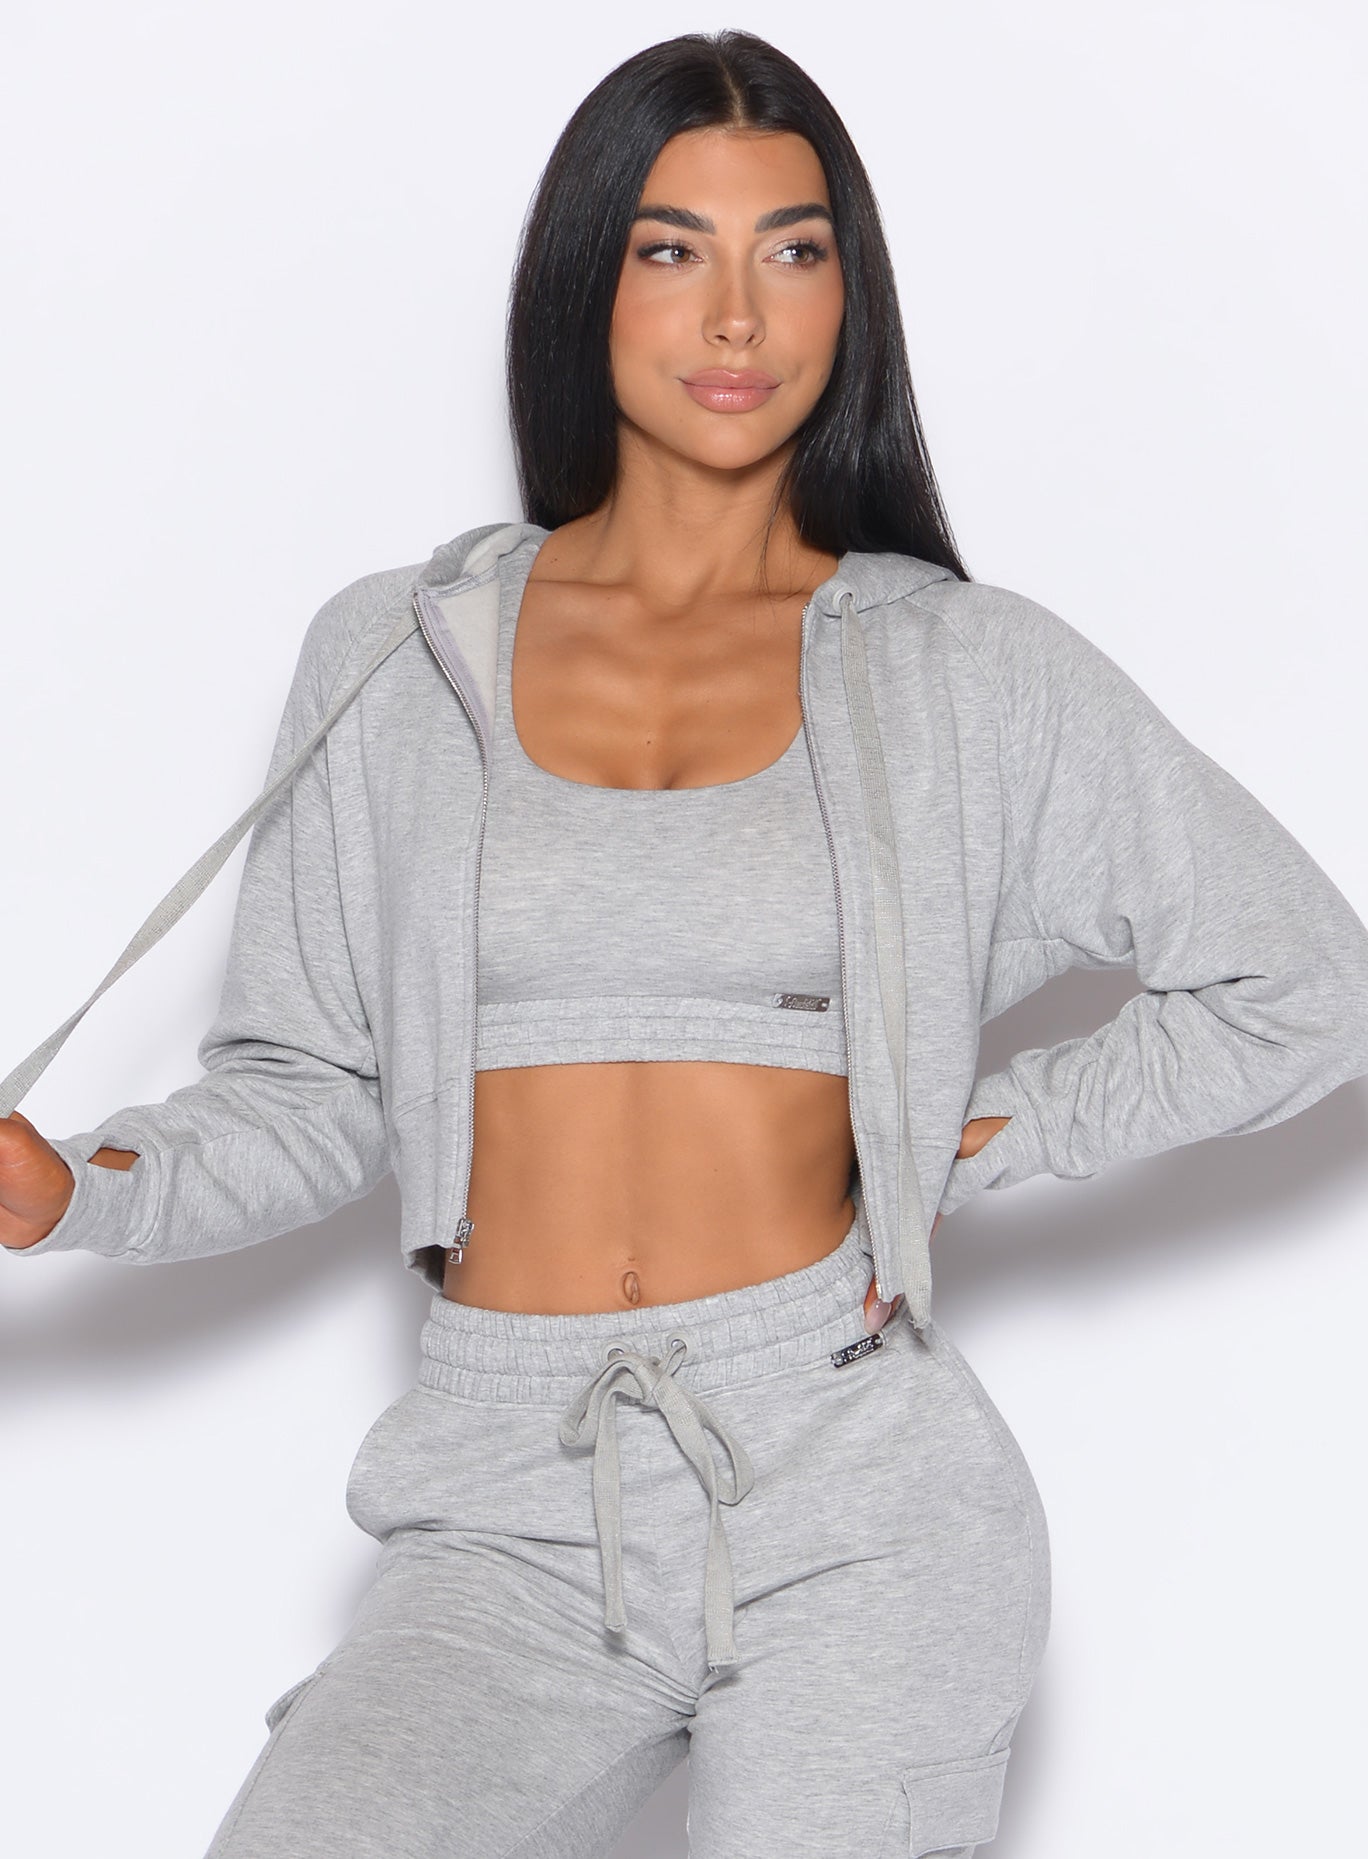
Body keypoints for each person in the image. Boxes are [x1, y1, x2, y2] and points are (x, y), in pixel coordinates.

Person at [5, 27, 1368, 1859]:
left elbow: (1303, 984)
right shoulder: (397, 654)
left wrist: (979, 1136)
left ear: (848, 294)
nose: (739, 314)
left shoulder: (961, 670)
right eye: (673, 249)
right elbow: (314, 1093)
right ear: (588, 282)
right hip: (503, 1496)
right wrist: (76, 1190)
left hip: (853, 1493)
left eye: (793, 249)